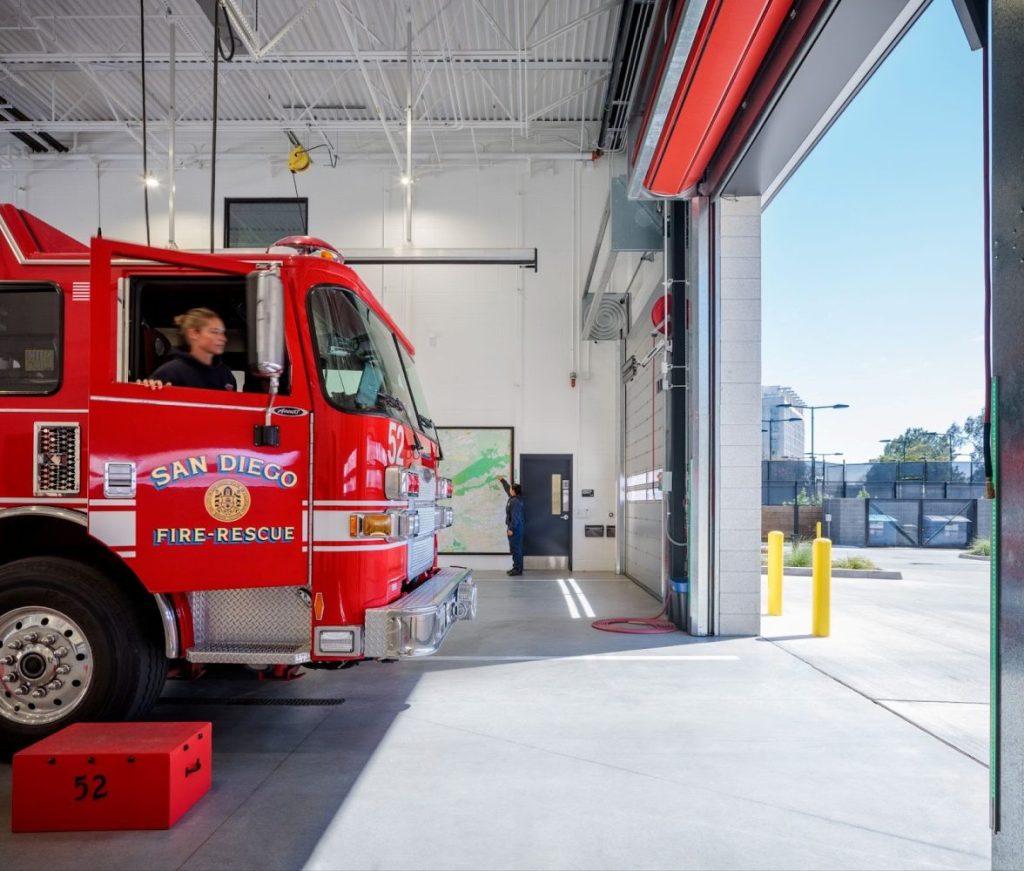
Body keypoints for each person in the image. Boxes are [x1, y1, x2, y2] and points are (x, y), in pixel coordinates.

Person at [137, 308, 236, 391]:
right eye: (214, 332)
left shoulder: (226, 375)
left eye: (223, 333)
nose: (223, 338)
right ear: (194, 333)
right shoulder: (170, 372)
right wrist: (148, 388)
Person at [498, 475, 524, 576]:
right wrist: (502, 480)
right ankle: (516, 567)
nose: (509, 490)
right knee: (514, 548)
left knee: (516, 548)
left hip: (515, 528)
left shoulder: (515, 502)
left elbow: (516, 517)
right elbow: (507, 488)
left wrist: (511, 529)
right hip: (515, 527)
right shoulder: (514, 498)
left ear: (514, 491)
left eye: (511, 489)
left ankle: (517, 569)